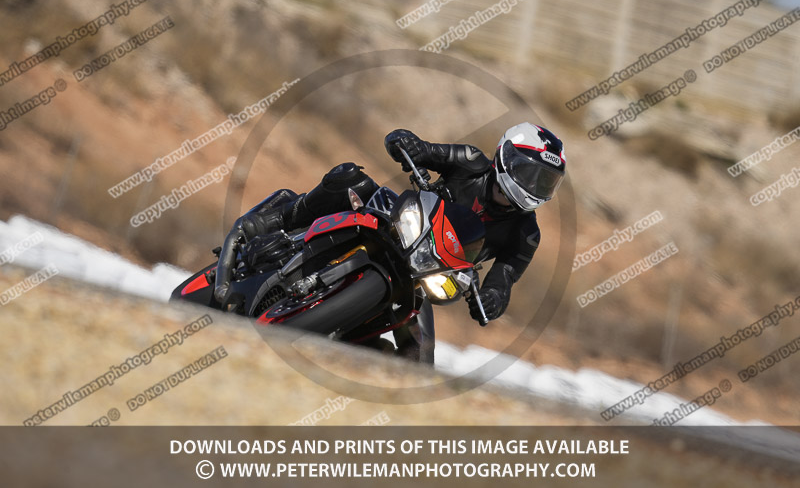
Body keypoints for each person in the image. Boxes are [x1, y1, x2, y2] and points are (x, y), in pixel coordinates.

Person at [214, 122, 566, 363]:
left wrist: (492, 299)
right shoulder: (472, 161)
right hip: (404, 225)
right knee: (351, 180)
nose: (535, 187)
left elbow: (504, 280)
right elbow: (425, 150)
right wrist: (408, 144)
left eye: (546, 181)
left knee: (421, 359)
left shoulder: (526, 233)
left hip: (428, 273)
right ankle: (276, 221)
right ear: (506, 157)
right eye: (530, 174)